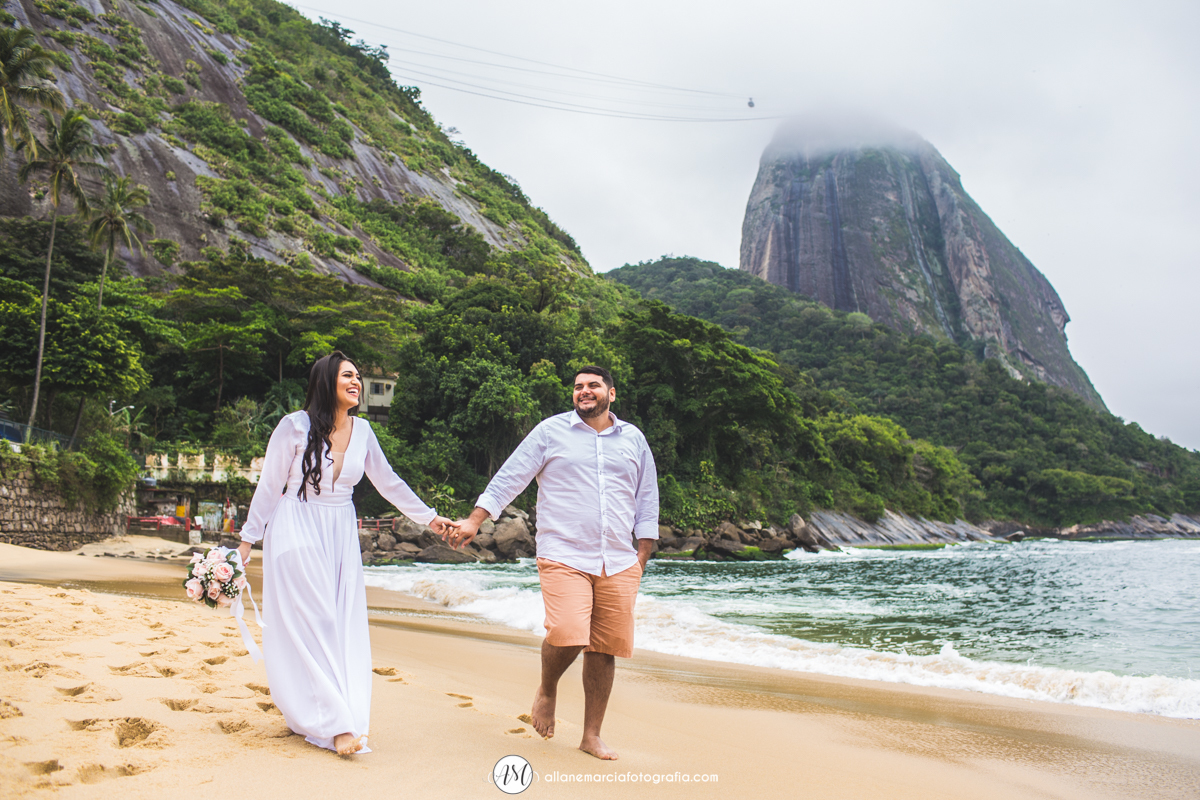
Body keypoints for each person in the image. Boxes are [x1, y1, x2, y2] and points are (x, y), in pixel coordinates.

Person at [236, 351, 455, 756]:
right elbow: (269, 487)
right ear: (326, 382)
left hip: (340, 530)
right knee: (316, 618)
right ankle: (336, 725)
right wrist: (248, 542)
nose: (357, 382)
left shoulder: (365, 431)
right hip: (296, 525)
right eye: (347, 376)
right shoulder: (294, 427)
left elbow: (389, 482)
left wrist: (430, 518)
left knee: (338, 623)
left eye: (359, 376)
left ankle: (317, 711)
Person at [445, 366, 658, 760]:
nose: (584, 391)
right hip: (563, 554)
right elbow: (511, 477)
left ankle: (591, 735)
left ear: (612, 393)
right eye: (578, 387)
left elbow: (647, 496)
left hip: (619, 559)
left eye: (593, 385)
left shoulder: (634, 439)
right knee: (569, 630)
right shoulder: (550, 432)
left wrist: (642, 554)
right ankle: (547, 688)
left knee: (604, 648)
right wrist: (476, 520)